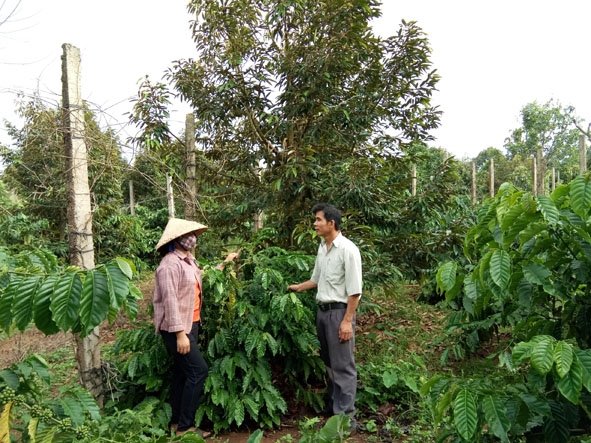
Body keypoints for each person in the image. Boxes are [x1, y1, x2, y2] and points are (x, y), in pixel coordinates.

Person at [153, 217, 238, 437]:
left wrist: (226, 263)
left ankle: (175, 422)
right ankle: (185, 428)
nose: (193, 239)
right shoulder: (169, 265)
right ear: (177, 240)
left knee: (182, 374)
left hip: (191, 323)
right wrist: (180, 334)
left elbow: (203, 277)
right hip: (178, 329)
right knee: (198, 372)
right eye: (187, 236)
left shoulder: (188, 260)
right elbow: (170, 301)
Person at [287, 203, 362, 432]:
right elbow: (317, 279)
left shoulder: (348, 250)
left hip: (340, 312)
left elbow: (355, 291)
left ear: (331, 223)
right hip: (323, 313)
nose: (315, 224)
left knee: (343, 367)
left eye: (318, 220)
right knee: (329, 365)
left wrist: (347, 321)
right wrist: (299, 287)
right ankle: (335, 410)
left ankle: (346, 421)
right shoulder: (323, 247)